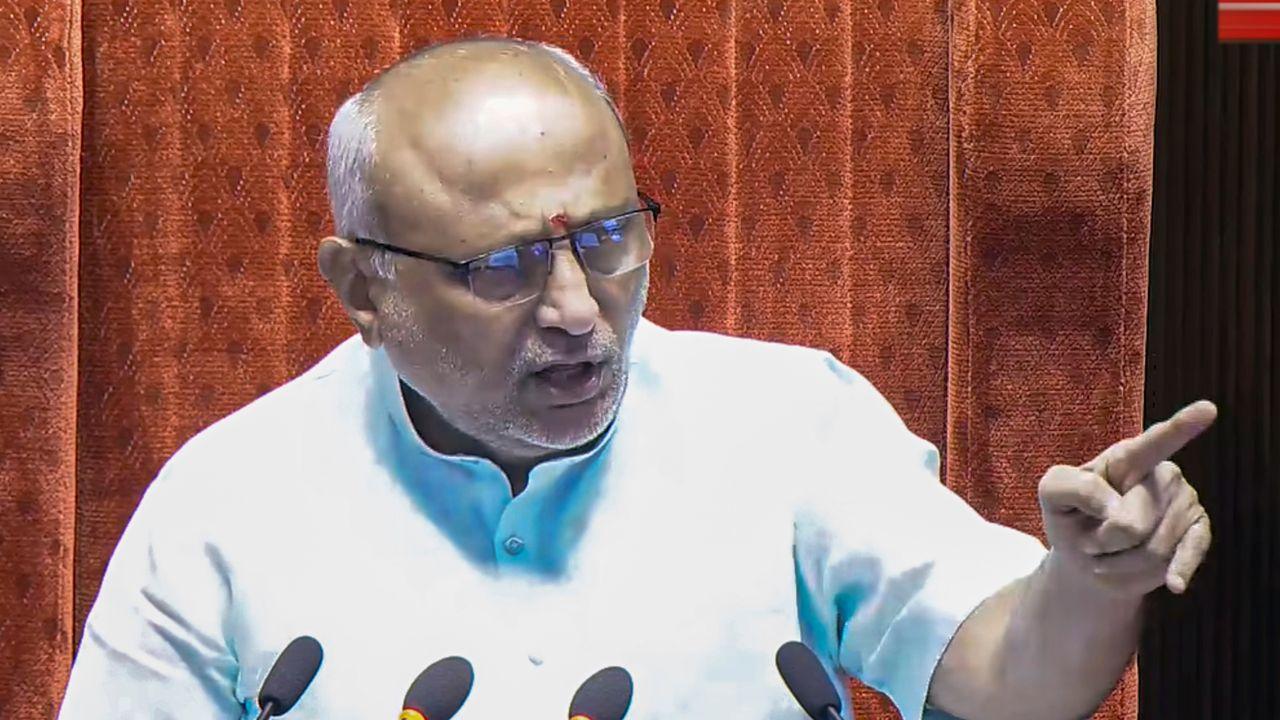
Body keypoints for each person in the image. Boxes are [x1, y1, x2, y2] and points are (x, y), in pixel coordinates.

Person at [58, 38, 1215, 720]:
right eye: (501, 266)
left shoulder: (785, 424)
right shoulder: (227, 502)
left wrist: (1089, 581)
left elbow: (1001, 682)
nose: (575, 312)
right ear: (363, 289)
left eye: (606, 238)